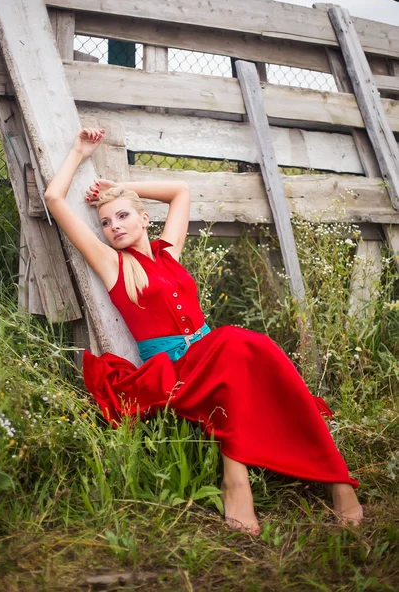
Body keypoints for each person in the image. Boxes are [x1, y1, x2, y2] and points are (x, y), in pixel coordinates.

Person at [44, 127, 363, 535]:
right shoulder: (113, 265)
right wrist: (77, 151)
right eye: (106, 223)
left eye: (123, 216)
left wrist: (122, 186)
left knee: (257, 352)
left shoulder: (169, 252)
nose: (114, 227)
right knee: (239, 344)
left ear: (144, 219)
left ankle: (336, 480)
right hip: (174, 369)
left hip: (214, 351)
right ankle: (241, 483)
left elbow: (180, 191)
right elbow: (55, 200)